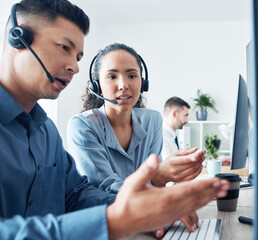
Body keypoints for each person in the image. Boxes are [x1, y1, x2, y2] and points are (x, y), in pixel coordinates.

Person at [0, 1, 230, 239]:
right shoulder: (80, 125)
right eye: (64, 48)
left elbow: (75, 194)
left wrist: (143, 209)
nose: (75, 67)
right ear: (19, 38)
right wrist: (114, 220)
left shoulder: (46, 131)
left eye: (78, 56)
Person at [67, 43, 206, 194]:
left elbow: (156, 188)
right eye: (112, 76)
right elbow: (106, 189)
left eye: (132, 76)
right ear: (97, 85)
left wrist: (177, 185)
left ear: (143, 83)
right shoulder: (82, 126)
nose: (123, 85)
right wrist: (158, 177)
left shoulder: (152, 120)